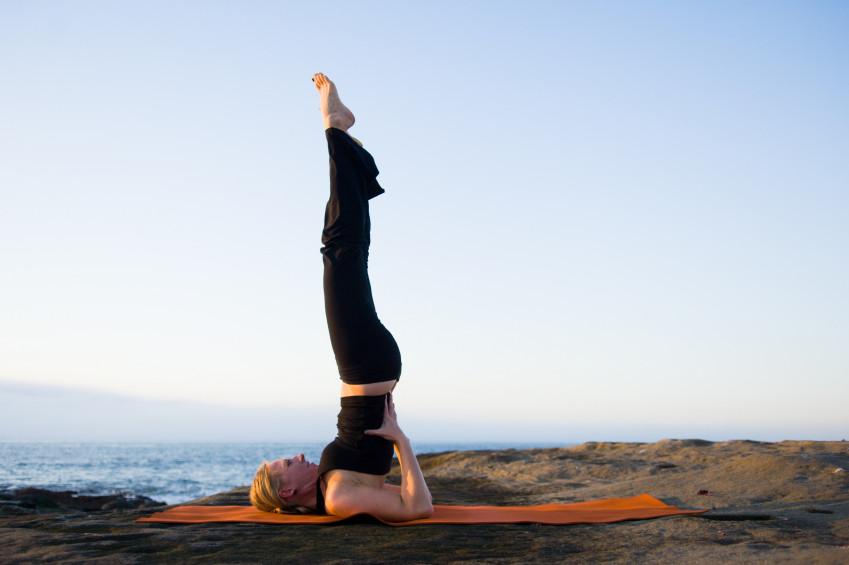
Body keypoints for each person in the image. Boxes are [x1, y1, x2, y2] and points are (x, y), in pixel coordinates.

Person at [249, 72, 433, 522]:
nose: (295, 456)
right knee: (340, 254)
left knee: (346, 256)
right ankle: (335, 129)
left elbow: (387, 487)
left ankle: (344, 139)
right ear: (289, 490)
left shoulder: (334, 488)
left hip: (367, 368)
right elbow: (419, 508)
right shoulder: (337, 499)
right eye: (288, 464)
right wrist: (400, 439)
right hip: (364, 365)